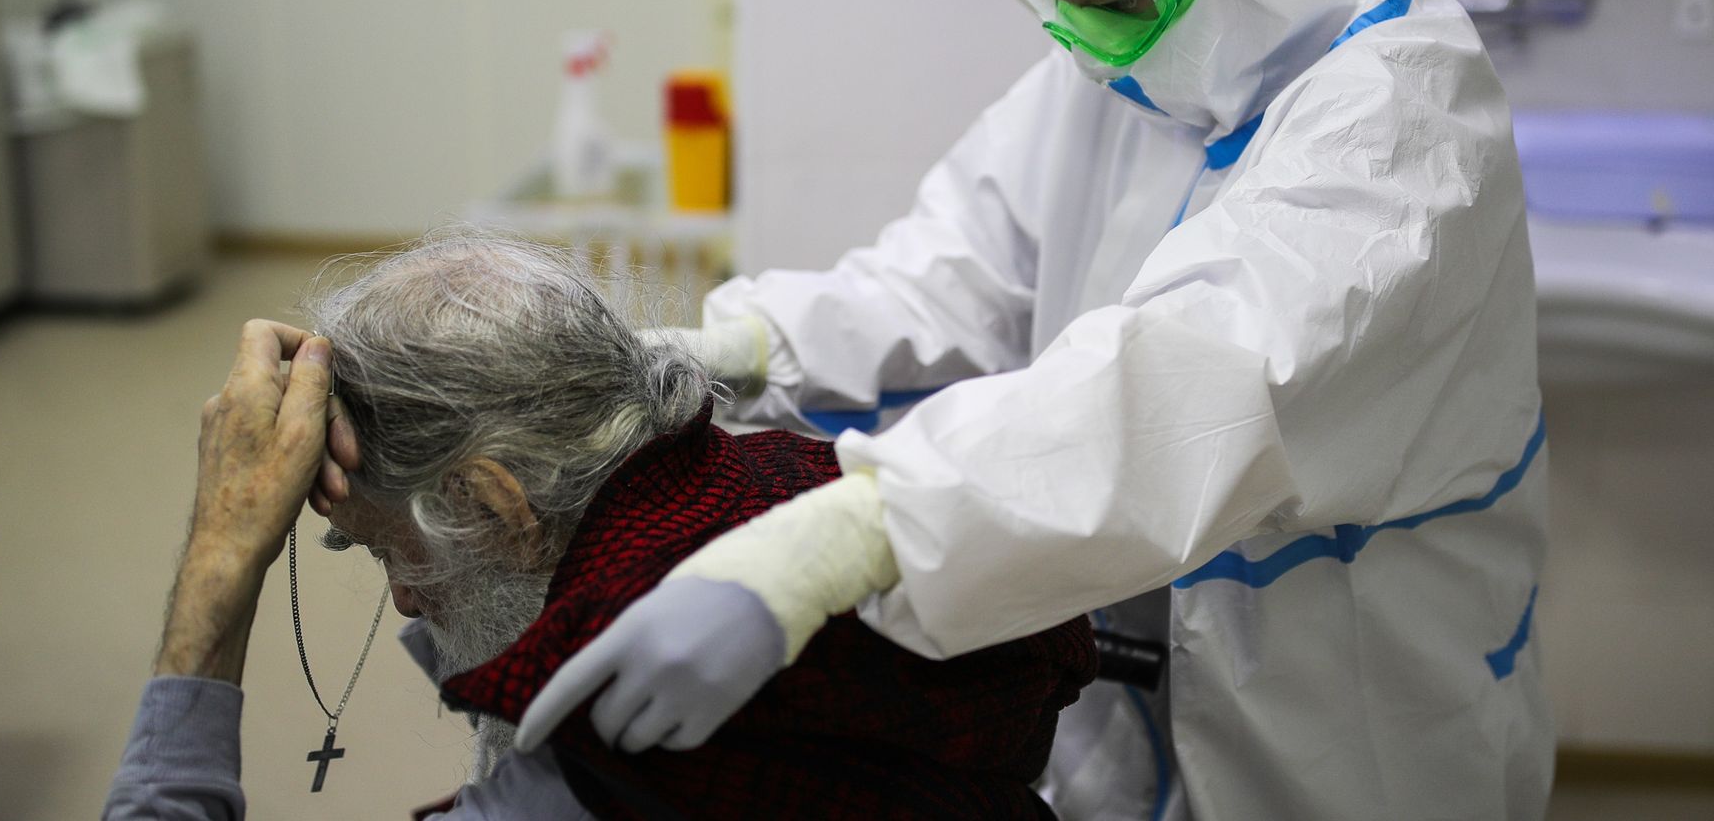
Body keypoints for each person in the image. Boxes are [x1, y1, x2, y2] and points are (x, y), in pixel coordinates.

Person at [471, 0, 1554, 818]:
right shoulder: (1143, 58)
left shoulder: (1407, 135)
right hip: (1128, 704)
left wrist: (844, 542)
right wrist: (726, 353)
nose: (1085, 47)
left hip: (1345, 720)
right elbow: (949, 280)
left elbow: (1188, 395)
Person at [103, 230, 1099, 819]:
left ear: (495, 502)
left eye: (382, 546)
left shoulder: (603, 742)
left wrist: (219, 557)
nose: (405, 599)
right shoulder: (780, 476)